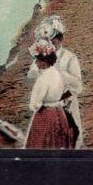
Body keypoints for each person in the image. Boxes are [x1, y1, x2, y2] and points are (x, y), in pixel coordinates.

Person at [28, 15, 84, 148]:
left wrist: (61, 83)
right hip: (48, 104)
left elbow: (78, 86)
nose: (52, 42)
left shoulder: (70, 57)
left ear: (60, 39)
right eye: (48, 40)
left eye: (54, 39)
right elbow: (31, 75)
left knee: (70, 136)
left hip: (67, 104)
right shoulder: (43, 56)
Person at [23, 39, 74, 149]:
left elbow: (36, 104)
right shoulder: (57, 73)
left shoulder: (43, 79)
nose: (36, 63)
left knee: (42, 144)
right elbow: (63, 92)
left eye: (37, 60)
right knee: (59, 143)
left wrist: (34, 106)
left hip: (45, 116)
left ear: (44, 61)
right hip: (60, 114)